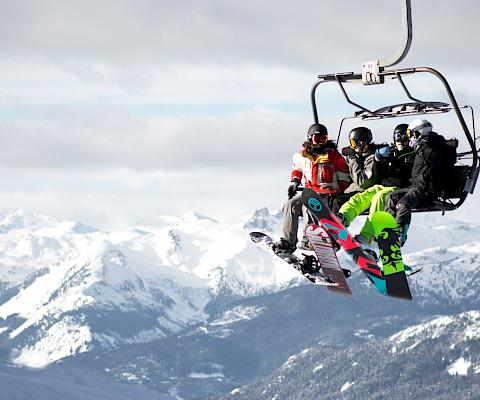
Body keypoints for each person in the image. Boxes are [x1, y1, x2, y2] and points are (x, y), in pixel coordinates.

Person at [273, 123, 351, 254]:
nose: (320, 142)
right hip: (310, 192)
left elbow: (345, 176)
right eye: (317, 139)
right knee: (290, 204)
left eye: (323, 139)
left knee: (309, 203)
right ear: (309, 138)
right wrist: (294, 183)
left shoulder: (333, 157)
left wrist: (340, 193)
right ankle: (288, 241)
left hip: (328, 194)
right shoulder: (303, 156)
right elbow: (297, 169)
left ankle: (311, 237)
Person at [335, 123, 415, 245]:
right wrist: (379, 159)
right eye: (397, 137)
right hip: (383, 185)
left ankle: (367, 236)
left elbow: (410, 174)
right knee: (362, 197)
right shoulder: (391, 152)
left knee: (379, 198)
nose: (400, 141)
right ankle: (343, 217)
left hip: (399, 188)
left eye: (405, 138)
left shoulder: (412, 154)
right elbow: (380, 173)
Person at [385, 119, 451, 246]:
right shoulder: (422, 148)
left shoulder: (432, 148)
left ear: (418, 133)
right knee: (391, 197)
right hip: (415, 185)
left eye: (410, 134)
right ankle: (388, 229)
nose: (409, 139)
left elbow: (442, 166)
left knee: (403, 204)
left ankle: (399, 234)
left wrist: (441, 187)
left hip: (425, 189)